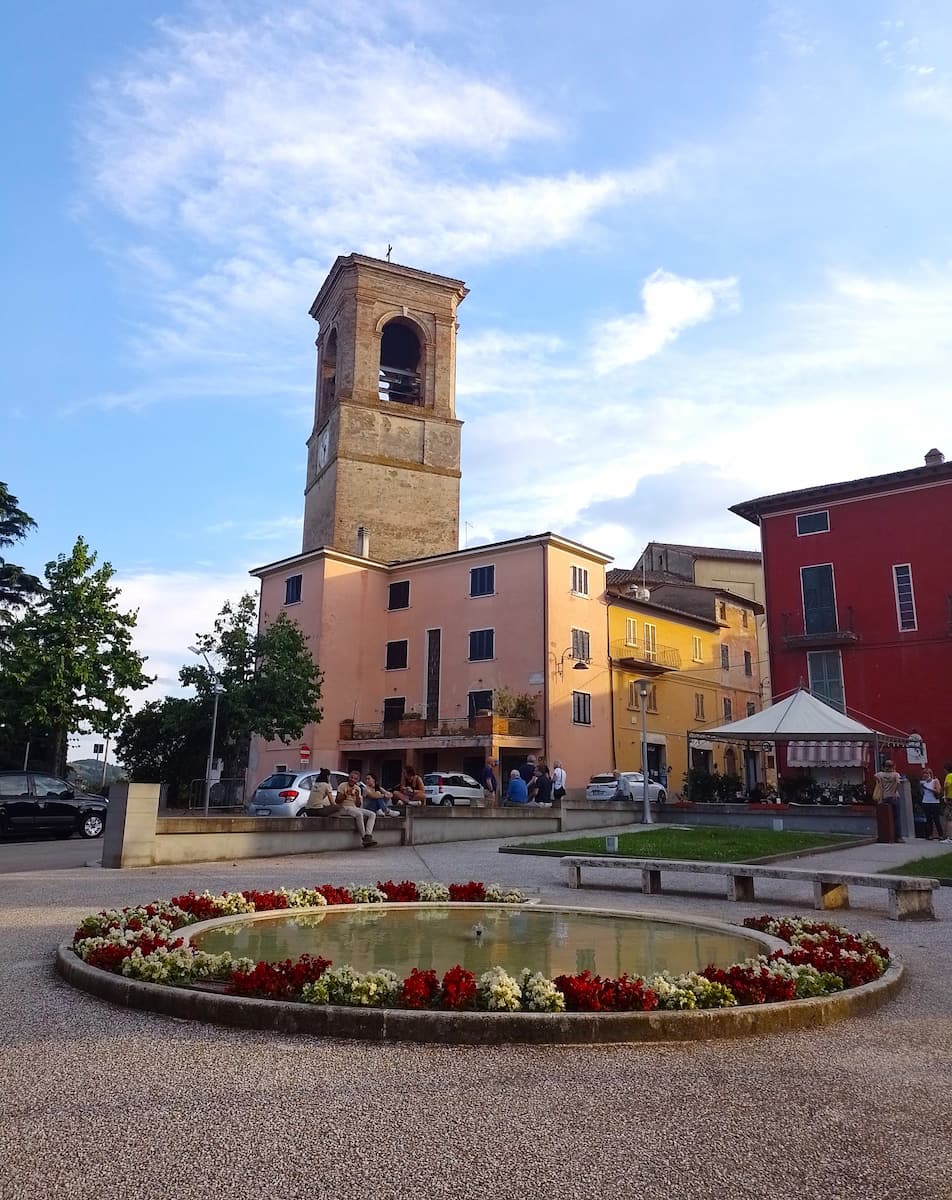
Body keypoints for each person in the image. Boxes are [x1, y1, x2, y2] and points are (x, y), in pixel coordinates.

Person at [327, 769, 377, 846]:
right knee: (359, 814)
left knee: (372, 814)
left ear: (357, 780)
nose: (352, 780)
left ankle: (368, 835)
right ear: (349, 777)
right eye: (351, 777)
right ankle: (363, 838)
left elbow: (358, 805)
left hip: (354, 808)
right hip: (344, 807)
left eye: (355, 779)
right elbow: (337, 801)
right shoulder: (342, 785)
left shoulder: (358, 788)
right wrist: (346, 794)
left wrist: (357, 797)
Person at [874, 759, 903, 843]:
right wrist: (894, 792)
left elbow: (875, 777)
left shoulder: (880, 774)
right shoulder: (896, 774)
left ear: (884, 766)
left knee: (885, 817)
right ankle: (898, 837)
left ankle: (886, 835)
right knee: (896, 817)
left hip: (884, 797)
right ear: (893, 766)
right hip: (894, 797)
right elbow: (898, 783)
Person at [920, 767, 944, 840]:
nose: (925, 775)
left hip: (934, 802)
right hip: (925, 801)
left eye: (927, 773)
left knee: (936, 819)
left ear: (930, 774)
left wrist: (927, 788)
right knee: (928, 819)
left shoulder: (935, 781)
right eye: (924, 773)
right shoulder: (923, 782)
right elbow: (922, 793)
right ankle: (930, 835)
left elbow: (938, 791)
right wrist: (922, 788)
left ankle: (941, 834)